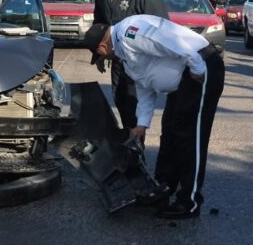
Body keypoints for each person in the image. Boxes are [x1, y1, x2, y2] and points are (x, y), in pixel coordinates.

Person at [84, 15, 225, 220]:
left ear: (102, 48)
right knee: (169, 132)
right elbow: (145, 88)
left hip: (200, 68)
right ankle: (164, 188)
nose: (105, 60)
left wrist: (196, 67)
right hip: (184, 78)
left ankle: (189, 202)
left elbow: (168, 41)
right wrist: (141, 124)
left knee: (189, 137)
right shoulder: (125, 56)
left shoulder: (129, 32)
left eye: (101, 57)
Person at [92, 0, 170, 131]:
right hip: (118, 56)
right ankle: (130, 139)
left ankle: (136, 144)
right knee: (120, 99)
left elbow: (160, 25)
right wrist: (99, 53)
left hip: (140, 58)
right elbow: (99, 23)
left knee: (135, 103)